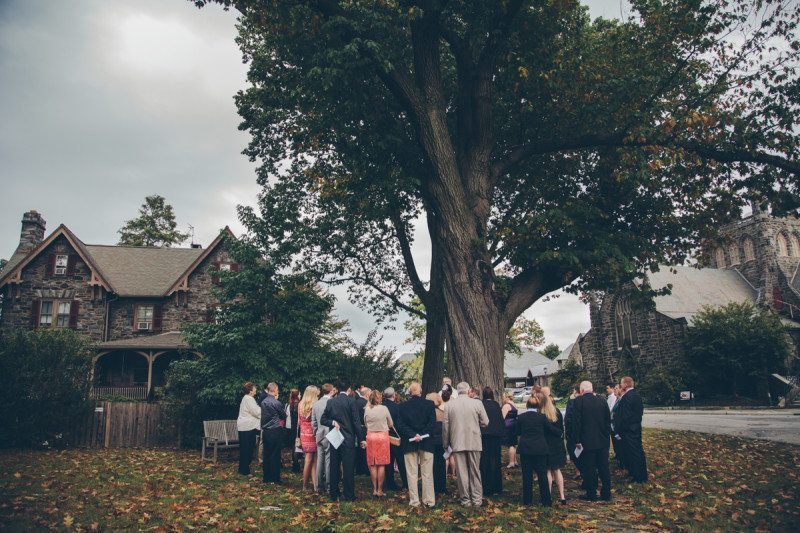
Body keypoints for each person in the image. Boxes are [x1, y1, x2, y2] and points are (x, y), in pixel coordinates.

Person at [443, 381, 489, 507]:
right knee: (475, 470)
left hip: (457, 441)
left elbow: (445, 427)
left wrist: (445, 443)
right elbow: (485, 422)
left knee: (462, 472)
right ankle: (477, 499)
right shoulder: (477, 403)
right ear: (469, 390)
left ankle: (465, 500)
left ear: (457, 391)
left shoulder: (449, 405)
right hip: (474, 440)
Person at [321, 380, 366, 502]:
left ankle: (333, 494)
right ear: (349, 389)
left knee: (334, 466)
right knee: (348, 467)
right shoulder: (351, 402)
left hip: (335, 439)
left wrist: (332, 422)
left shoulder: (331, 402)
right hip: (348, 439)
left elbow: (323, 419)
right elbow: (356, 422)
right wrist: (361, 438)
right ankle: (349, 494)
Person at [397, 382, 437, 507]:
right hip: (426, 442)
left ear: (410, 392)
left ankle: (414, 500)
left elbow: (400, 425)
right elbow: (432, 423)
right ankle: (429, 500)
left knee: (411, 473)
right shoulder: (429, 404)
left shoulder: (402, 406)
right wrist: (421, 434)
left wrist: (413, 435)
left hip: (409, 443)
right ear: (420, 391)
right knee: (427, 473)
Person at [572, 381, 611, 501]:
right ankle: (606, 493)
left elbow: (576, 422)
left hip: (587, 440)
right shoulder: (602, 400)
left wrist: (576, 439)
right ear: (592, 389)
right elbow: (607, 419)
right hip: (602, 440)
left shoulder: (579, 401)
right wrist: (606, 435)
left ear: (582, 390)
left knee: (590, 468)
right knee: (604, 467)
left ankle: (591, 493)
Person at [516, 393, 557, 506]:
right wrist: (559, 433)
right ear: (538, 406)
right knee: (542, 475)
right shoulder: (542, 417)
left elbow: (517, 431)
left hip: (526, 449)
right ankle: (546, 501)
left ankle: (527, 500)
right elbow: (549, 428)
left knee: (527, 475)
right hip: (540, 448)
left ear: (526, 405)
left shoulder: (521, 417)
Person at [615, 376, 648, 483]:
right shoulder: (636, 395)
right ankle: (639, 475)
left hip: (629, 430)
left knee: (633, 453)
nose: (620, 385)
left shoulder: (628, 396)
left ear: (626, 384)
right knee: (637, 451)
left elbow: (625, 415)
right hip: (635, 428)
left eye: (621, 383)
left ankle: (637, 476)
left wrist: (620, 429)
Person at [364, 389, 394, 497]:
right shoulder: (384, 408)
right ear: (379, 398)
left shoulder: (367, 409)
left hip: (371, 437)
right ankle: (380, 490)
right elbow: (391, 423)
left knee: (372, 464)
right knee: (381, 464)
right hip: (382, 437)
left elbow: (366, 424)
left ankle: (374, 489)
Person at [540, 387, 567, 505]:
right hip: (557, 443)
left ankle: (549, 495)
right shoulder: (557, 413)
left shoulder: (541, 415)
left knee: (547, 471)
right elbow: (561, 429)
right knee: (557, 470)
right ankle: (562, 496)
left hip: (546, 443)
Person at [479, 387, 505, 497]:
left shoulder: (481, 404)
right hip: (495, 437)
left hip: (484, 437)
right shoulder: (496, 405)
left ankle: (486, 487)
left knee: (484, 461)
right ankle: (496, 487)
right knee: (496, 460)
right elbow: (501, 421)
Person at [382, 387, 408, 491]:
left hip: (384, 436)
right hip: (396, 437)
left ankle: (390, 483)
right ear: (394, 395)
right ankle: (405, 482)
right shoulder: (398, 407)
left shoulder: (381, 407)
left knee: (388, 461)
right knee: (401, 461)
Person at [260, 382, 286, 484]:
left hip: (265, 430)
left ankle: (266, 477)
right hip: (275, 430)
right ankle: (275, 478)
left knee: (266, 454)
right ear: (274, 390)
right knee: (275, 454)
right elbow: (283, 416)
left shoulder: (263, 402)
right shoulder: (276, 402)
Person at [312, 383, 335, 493]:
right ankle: (329, 486)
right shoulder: (331, 403)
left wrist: (316, 432)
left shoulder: (316, 404)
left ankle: (319, 486)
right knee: (328, 460)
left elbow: (314, 421)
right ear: (331, 391)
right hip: (329, 434)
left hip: (319, 434)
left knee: (320, 460)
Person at [236, 381, 261, 475]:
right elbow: (257, 412)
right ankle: (244, 470)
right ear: (250, 390)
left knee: (245, 448)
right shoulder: (249, 399)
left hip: (245, 427)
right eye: (254, 388)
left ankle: (243, 469)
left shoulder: (246, 398)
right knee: (247, 449)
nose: (256, 390)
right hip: (247, 427)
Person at [298, 385, 320, 491]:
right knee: (310, 459)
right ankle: (305, 485)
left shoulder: (300, 404)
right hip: (312, 433)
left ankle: (314, 485)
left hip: (303, 432)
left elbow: (299, 421)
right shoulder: (314, 405)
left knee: (312, 458)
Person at [426, 392, 448, 495]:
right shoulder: (442, 413)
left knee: (432, 465)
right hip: (441, 441)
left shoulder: (428, 413)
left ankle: (434, 486)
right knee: (441, 464)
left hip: (431, 441)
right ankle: (442, 486)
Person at [563, 383, 582, 480]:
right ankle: (579, 471)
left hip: (573, 432)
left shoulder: (574, 401)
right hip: (577, 432)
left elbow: (569, 417)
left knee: (572, 450)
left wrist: (571, 400)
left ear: (576, 391)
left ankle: (581, 470)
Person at [441, 385, 457, 479]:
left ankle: (445, 473)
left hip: (444, 430)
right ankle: (453, 473)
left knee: (446, 454)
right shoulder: (453, 405)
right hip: (453, 430)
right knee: (452, 454)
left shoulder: (440, 405)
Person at [284, 389, 302, 473]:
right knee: (296, 447)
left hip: (289, 429)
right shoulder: (298, 405)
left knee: (293, 446)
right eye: (300, 394)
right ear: (297, 395)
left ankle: (295, 464)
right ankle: (296, 465)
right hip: (296, 428)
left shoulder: (288, 405)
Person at [354, 387, 371, 476]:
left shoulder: (355, 402)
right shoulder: (367, 404)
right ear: (367, 395)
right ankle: (365, 469)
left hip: (356, 428)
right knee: (365, 449)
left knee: (358, 449)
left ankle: (359, 469)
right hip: (365, 427)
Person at [501, 392, 519, 469]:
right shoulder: (514, 404)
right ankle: (515, 461)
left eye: (504, 397)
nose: (503, 398)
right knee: (513, 444)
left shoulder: (506, 405)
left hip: (508, 426)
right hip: (514, 425)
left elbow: (502, 417)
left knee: (510, 445)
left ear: (507, 397)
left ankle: (511, 462)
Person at [610, 384, 624, 470]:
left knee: (620, 444)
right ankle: (619, 458)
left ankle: (622, 462)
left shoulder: (621, 400)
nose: (614, 390)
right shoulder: (616, 399)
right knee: (616, 444)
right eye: (614, 389)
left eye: (616, 389)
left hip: (617, 426)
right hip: (613, 426)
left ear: (620, 389)